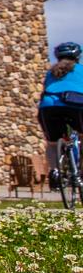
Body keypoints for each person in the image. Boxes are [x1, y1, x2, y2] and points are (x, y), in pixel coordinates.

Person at [39, 41, 83, 187]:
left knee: (52, 143)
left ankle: (55, 171)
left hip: (48, 107)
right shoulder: (81, 69)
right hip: (76, 106)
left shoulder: (51, 72)